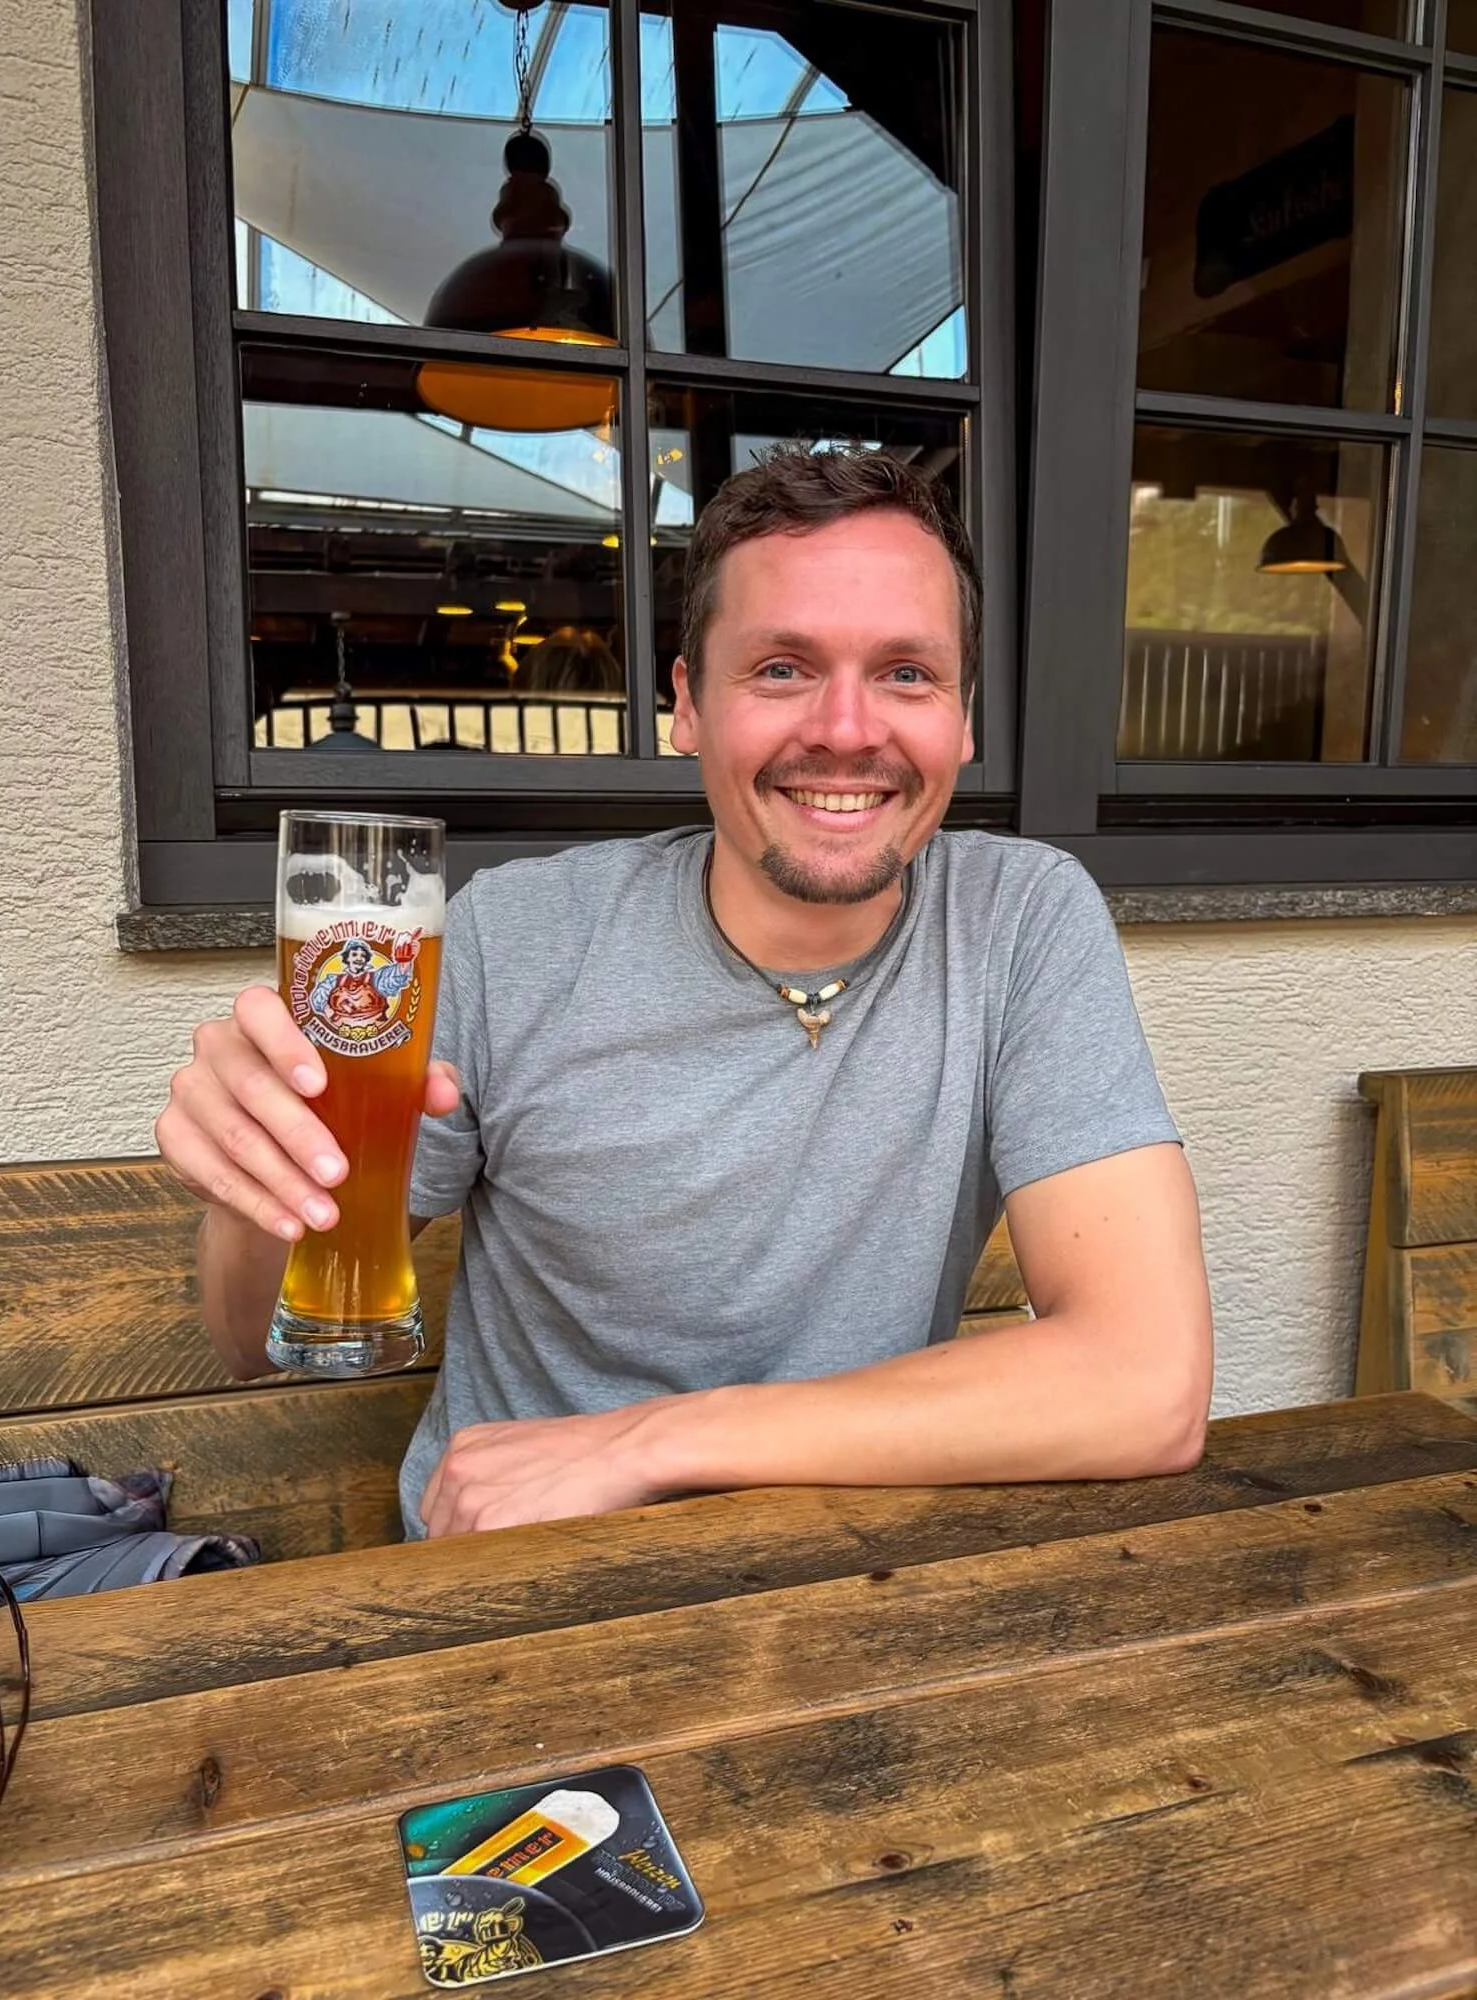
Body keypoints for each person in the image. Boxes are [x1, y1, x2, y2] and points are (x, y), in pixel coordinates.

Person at [157, 446, 1213, 1541]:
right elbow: (249, 1339)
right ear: (688, 706)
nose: (849, 729)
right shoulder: (514, 938)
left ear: (964, 717)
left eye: (907, 672)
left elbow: (1146, 1380)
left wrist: (647, 1444)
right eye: (782, 668)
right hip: (519, 1570)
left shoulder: (1019, 918)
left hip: (840, 1563)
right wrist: (255, 1179)